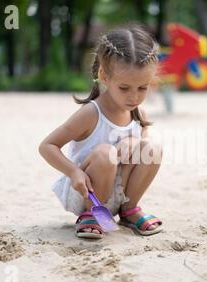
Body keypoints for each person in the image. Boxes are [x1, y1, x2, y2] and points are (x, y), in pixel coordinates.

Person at [39, 25, 163, 239]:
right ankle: (90, 215)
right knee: (106, 153)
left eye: (142, 88)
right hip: (86, 192)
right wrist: (73, 172)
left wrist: (135, 141)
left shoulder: (136, 113)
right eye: (124, 88)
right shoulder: (91, 113)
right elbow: (47, 146)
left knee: (153, 148)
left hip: (120, 194)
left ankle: (129, 211)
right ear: (104, 76)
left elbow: (145, 143)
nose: (134, 97)